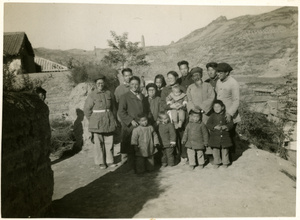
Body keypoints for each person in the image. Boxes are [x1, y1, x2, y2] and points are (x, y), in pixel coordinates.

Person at [83, 74, 118, 169]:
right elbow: (87, 110)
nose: (100, 84)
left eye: (102, 82)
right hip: (97, 122)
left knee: (109, 142)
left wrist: (114, 118)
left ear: (104, 83)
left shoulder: (109, 93)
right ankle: (101, 162)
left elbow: (114, 107)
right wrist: (93, 119)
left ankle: (110, 161)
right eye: (98, 83)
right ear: (95, 84)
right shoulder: (92, 95)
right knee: (98, 143)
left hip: (109, 119)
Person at [118, 76, 150, 172]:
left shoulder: (142, 96)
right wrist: (130, 120)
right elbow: (121, 112)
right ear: (129, 85)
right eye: (132, 84)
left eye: (136, 84)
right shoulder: (125, 96)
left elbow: (146, 110)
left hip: (141, 124)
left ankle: (142, 166)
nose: (134, 86)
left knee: (140, 146)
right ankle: (131, 167)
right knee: (131, 147)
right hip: (131, 126)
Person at [160, 71, 187, 164]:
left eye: (171, 78)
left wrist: (181, 106)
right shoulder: (165, 90)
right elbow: (163, 103)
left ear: (176, 77)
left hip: (181, 114)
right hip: (170, 116)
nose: (169, 80)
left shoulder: (182, 88)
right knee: (172, 135)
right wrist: (171, 106)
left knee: (182, 135)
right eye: (168, 78)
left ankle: (184, 155)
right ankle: (174, 156)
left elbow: (187, 100)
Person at [215, 63, 241, 155]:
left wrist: (229, 113)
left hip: (230, 114)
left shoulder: (233, 83)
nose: (218, 74)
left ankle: (232, 157)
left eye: (220, 72)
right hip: (220, 114)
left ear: (227, 73)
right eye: (217, 72)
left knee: (230, 135)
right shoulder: (218, 82)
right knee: (223, 135)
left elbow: (236, 101)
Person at [206, 100, 234, 168]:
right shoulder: (212, 116)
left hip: (225, 137)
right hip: (215, 137)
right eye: (214, 107)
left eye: (218, 106)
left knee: (225, 150)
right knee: (215, 150)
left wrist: (226, 127)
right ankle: (217, 162)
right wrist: (214, 127)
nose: (216, 108)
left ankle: (225, 162)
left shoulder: (226, 115)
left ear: (222, 107)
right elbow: (208, 124)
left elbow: (231, 124)